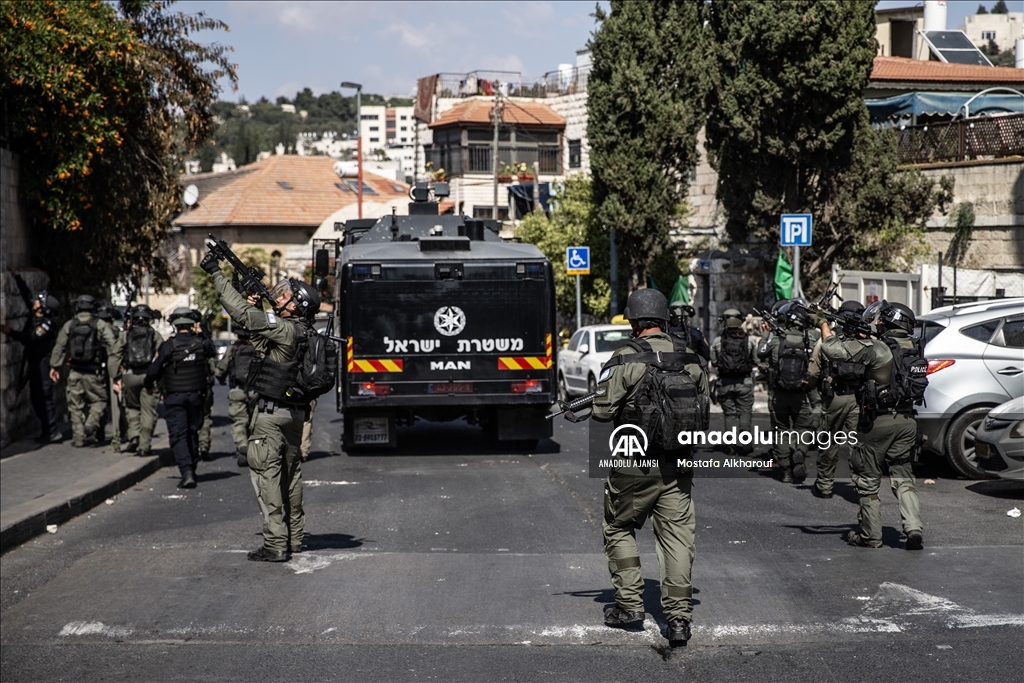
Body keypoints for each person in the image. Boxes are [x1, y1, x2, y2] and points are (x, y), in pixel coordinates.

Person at [591, 288, 709, 645]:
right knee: (677, 539)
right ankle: (678, 621)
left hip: (634, 463)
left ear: (634, 321)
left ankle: (629, 606)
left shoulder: (625, 357)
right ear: (662, 320)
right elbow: (702, 404)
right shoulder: (690, 357)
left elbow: (602, 412)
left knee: (619, 527)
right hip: (678, 464)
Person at [202, 249, 320, 562]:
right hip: (295, 417)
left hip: (270, 418)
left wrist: (216, 272)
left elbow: (239, 314)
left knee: (267, 479)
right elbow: (264, 346)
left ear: (296, 306)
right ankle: (294, 538)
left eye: (286, 296)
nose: (279, 297)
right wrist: (262, 306)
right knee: (291, 478)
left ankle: (275, 544)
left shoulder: (284, 329)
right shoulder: (306, 333)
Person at [815, 300, 924, 550]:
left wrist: (821, 322)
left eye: (879, 319)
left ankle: (870, 536)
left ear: (888, 322)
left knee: (867, 480)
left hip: (877, 422)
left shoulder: (879, 348)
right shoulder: (912, 348)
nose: (876, 322)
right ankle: (914, 528)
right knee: (903, 476)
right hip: (907, 422)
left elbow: (832, 350)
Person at [144, 307, 215, 488]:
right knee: (192, 431)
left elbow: (154, 369)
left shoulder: (168, 346)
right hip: (197, 396)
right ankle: (191, 465)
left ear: (174, 325)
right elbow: (211, 350)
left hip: (175, 397)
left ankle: (187, 471)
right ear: (192, 324)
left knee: (178, 434)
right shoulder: (202, 343)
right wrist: (201, 331)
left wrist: (148, 384)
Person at [757, 302, 819, 483]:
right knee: (803, 428)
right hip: (801, 393)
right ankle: (800, 451)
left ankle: (784, 471)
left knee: (781, 431)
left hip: (779, 394)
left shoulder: (776, 339)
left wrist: (765, 334)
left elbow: (760, 353)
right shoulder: (810, 339)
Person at [808, 301, 865, 498]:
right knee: (857, 444)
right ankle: (861, 487)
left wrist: (814, 388)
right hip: (858, 397)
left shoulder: (827, 338)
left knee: (828, 441)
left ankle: (824, 486)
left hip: (834, 397)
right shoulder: (865, 339)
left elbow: (814, 370)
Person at [49, 295, 121, 447]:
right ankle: (91, 424)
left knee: (74, 406)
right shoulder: (99, 324)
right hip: (93, 372)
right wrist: (114, 366)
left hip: (74, 372)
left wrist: (55, 366)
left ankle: (79, 438)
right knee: (100, 400)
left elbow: (59, 346)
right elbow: (112, 345)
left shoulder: (70, 325)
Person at [1, 266, 62, 443]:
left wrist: (10, 332)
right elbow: (26, 294)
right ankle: (46, 430)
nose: (34, 302)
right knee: (36, 397)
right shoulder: (36, 315)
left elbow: (31, 337)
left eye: (38, 302)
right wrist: (17, 277)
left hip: (42, 363)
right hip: (34, 362)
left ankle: (52, 431)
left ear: (43, 308)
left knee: (44, 396)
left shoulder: (46, 325)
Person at [710, 310, 757, 453]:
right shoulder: (749, 341)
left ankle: (730, 445)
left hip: (725, 383)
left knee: (729, 414)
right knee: (745, 411)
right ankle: (745, 437)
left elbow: (713, 362)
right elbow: (755, 360)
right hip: (745, 382)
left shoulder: (718, 341)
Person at [120, 305, 163, 456]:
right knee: (148, 412)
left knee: (131, 407)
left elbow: (114, 356)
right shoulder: (154, 334)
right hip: (148, 377)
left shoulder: (125, 335)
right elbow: (163, 355)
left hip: (129, 376)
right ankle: (144, 446)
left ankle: (133, 436)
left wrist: (115, 377)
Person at [215, 327, 259, 467]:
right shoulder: (257, 350)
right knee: (255, 421)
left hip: (237, 390)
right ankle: (254, 449)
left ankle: (242, 445)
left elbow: (221, 369)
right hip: (255, 391)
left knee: (239, 421)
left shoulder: (233, 349)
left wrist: (221, 378)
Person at [193, 311, 216, 461]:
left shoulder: (179, 340)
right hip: (201, 385)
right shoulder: (204, 342)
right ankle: (203, 446)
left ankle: (197, 447)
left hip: (189, 387)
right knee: (205, 417)